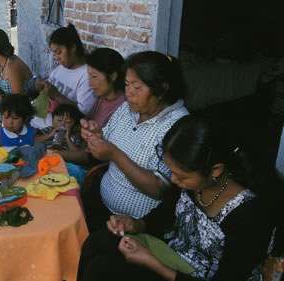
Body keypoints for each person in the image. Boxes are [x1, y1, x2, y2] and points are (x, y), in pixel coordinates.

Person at [77, 115, 273, 281]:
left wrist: (152, 263)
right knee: (99, 240)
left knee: (101, 269)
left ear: (216, 170)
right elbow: (167, 212)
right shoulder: (193, 183)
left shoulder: (250, 216)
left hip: (192, 276)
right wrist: (136, 225)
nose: (173, 179)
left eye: (182, 176)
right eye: (172, 171)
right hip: (172, 257)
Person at [81, 51, 189, 231]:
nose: (129, 93)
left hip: (133, 224)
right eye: (126, 84)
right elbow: (103, 145)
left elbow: (158, 189)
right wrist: (95, 136)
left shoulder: (178, 126)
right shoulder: (127, 107)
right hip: (101, 202)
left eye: (137, 87)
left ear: (161, 89)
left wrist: (114, 154)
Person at [57, 47, 126, 175]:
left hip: (92, 170)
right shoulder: (102, 97)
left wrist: (56, 154)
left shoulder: (123, 109)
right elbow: (86, 122)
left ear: (113, 76)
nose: (90, 83)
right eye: (89, 76)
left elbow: (90, 157)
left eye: (94, 77)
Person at [31, 23, 96, 129]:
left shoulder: (86, 75)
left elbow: (83, 114)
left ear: (73, 48)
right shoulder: (61, 68)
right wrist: (42, 87)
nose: (57, 57)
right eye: (55, 54)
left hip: (54, 129)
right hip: (38, 121)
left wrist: (56, 95)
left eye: (59, 52)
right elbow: (49, 88)